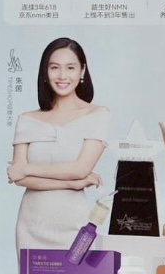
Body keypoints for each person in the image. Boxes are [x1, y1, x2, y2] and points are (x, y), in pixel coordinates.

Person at [8, 38, 110, 252]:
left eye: (70, 67)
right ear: (45, 72)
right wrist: (73, 184)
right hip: (31, 226)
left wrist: (26, 168)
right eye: (55, 67)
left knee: (78, 273)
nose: (62, 76)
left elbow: (80, 169)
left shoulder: (97, 115)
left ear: (82, 71)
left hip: (73, 225)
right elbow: (20, 179)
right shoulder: (27, 119)